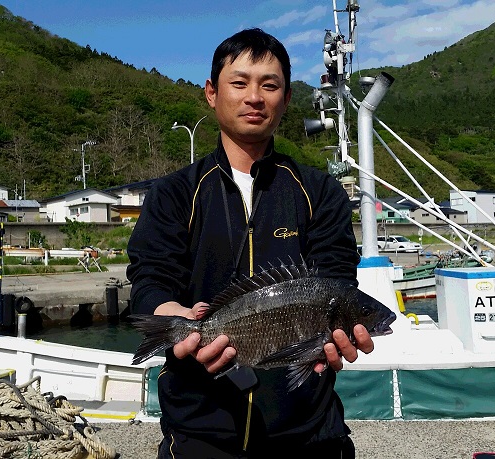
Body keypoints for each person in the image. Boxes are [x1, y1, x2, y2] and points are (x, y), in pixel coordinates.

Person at [126, 28, 374, 458]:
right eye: (239, 83)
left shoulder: (320, 192)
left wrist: (338, 338)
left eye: (270, 85)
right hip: (199, 432)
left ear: (287, 98)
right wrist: (173, 316)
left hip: (309, 434)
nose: (254, 97)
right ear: (211, 92)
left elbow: (336, 283)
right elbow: (151, 280)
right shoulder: (173, 193)